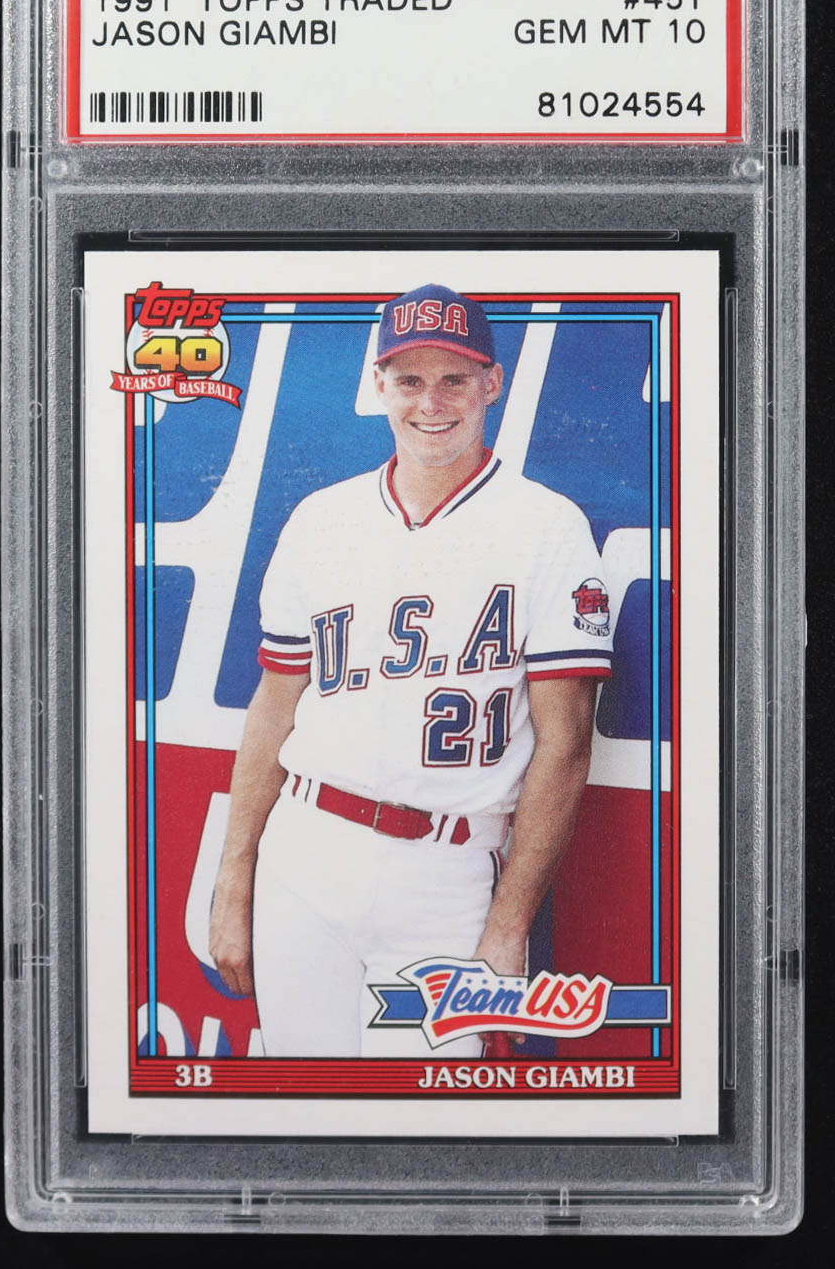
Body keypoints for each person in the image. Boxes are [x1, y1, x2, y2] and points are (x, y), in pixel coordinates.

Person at [210, 283, 612, 1057]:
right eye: (410, 380)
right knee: (308, 1102)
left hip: (447, 873)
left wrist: (509, 925)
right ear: (380, 387)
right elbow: (275, 707)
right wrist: (235, 879)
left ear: (493, 383)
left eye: (455, 378)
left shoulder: (546, 527)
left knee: (430, 1113)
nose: (432, 403)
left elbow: (565, 745)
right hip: (306, 851)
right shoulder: (321, 520)